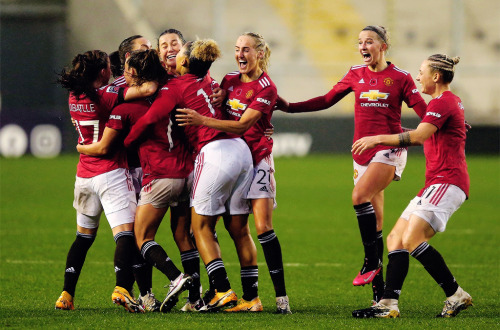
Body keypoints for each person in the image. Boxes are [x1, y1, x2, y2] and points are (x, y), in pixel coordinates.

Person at [276, 25, 427, 302]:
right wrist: (289, 106)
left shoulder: (401, 78)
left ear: (383, 47)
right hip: (361, 153)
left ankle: (371, 262)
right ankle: (380, 297)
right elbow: (325, 100)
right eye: (360, 42)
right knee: (377, 223)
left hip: (389, 149)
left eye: (369, 42)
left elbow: (425, 113)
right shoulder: (354, 74)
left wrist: (445, 119)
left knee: (359, 196)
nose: (362, 47)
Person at [124, 39, 255, 312]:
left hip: (210, 153)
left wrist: (125, 144)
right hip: (238, 151)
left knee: (197, 229)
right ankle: (222, 297)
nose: (173, 53)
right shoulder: (208, 80)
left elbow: (148, 120)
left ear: (184, 61)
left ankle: (220, 289)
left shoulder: (173, 87)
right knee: (221, 230)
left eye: (178, 49)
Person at [176, 32, 291, 314]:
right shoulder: (228, 80)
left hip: (258, 161)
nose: (241, 54)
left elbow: (241, 126)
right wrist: (221, 96)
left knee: (256, 227)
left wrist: (202, 120)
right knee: (233, 227)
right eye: (237, 49)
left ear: (260, 54)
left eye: (247, 50)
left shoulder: (266, 88)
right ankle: (247, 298)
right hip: (236, 159)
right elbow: (219, 101)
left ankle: (276, 299)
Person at [351, 54, 472, 318]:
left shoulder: (445, 102)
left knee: (413, 238)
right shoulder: (442, 104)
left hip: (448, 181)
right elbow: (425, 131)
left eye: (422, 72)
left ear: (436, 76)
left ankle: (455, 294)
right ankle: (388, 304)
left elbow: (418, 137)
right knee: (396, 239)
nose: (418, 78)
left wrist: (377, 139)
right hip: (435, 183)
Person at [77, 49, 198, 312]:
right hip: (186, 174)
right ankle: (196, 298)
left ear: (134, 73)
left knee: (140, 237)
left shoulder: (126, 107)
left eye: (127, 70)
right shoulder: (172, 93)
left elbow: (108, 147)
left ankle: (175, 278)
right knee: (184, 236)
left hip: (158, 177)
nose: (122, 74)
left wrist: (82, 148)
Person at [54, 49, 157, 313]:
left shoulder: (74, 95)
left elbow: (112, 87)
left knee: (83, 238)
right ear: (102, 72)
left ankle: (66, 294)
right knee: (125, 234)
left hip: (84, 176)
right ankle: (122, 287)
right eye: (109, 67)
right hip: (110, 172)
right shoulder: (107, 96)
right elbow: (146, 89)